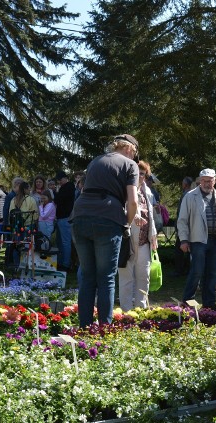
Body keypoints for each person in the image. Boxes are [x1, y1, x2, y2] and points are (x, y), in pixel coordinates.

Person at [71, 134, 140, 328]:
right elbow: (133, 201)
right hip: (108, 219)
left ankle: (84, 327)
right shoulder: (130, 165)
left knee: (87, 275)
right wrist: (126, 223)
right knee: (106, 277)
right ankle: (104, 328)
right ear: (130, 150)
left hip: (80, 216)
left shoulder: (96, 161)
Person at [177, 168, 216, 310]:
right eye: (204, 180)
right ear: (199, 181)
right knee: (197, 271)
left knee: (212, 273)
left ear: (215, 181)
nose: (206, 183)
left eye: (209, 181)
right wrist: (184, 240)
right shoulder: (190, 196)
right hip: (197, 240)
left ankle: (209, 304)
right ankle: (187, 302)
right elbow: (182, 220)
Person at [118, 160, 158, 311]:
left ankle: (141, 309)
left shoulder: (148, 191)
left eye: (143, 174)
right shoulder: (123, 189)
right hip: (127, 239)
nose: (140, 176)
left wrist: (153, 236)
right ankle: (126, 311)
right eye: (137, 173)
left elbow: (151, 217)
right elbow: (120, 210)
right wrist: (134, 217)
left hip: (144, 241)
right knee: (126, 276)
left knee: (144, 275)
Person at [53, 170, 76, 271]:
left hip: (65, 218)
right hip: (61, 218)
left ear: (65, 178)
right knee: (61, 242)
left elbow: (58, 200)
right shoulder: (65, 188)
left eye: (60, 180)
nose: (59, 182)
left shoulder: (69, 187)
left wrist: (55, 192)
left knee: (65, 242)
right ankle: (61, 262)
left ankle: (66, 264)